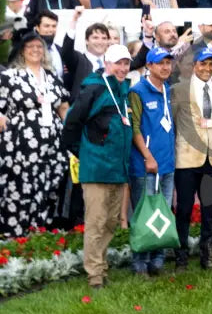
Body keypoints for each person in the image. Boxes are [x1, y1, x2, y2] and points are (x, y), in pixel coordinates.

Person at [62, 44, 135, 290]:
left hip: (117, 168)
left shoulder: (123, 90)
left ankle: (100, 266)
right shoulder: (94, 88)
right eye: (118, 63)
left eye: (126, 63)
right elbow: (71, 123)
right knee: (96, 221)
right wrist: (84, 153)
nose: (122, 68)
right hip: (96, 168)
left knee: (111, 222)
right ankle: (94, 274)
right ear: (107, 64)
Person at [0, 33, 70, 236]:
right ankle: (15, 234)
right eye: (30, 46)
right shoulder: (10, 76)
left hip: (51, 147)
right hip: (20, 147)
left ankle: (40, 232)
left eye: (39, 47)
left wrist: (70, 130)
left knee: (48, 187)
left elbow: (63, 107)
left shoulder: (52, 77)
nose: (35, 50)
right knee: (20, 188)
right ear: (22, 51)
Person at [172, 47, 212, 270]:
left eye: (211, 65)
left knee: (210, 211)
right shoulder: (179, 89)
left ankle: (207, 255)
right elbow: (172, 121)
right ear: (194, 65)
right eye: (203, 64)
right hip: (187, 158)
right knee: (184, 209)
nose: (207, 68)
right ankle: (181, 257)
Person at [127, 46, 176, 277]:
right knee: (144, 214)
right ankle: (139, 263)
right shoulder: (137, 91)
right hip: (146, 166)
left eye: (168, 63)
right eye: (160, 63)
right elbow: (134, 127)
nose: (165, 67)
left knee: (162, 215)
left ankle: (157, 261)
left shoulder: (167, 89)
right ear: (149, 66)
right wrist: (147, 156)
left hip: (166, 164)